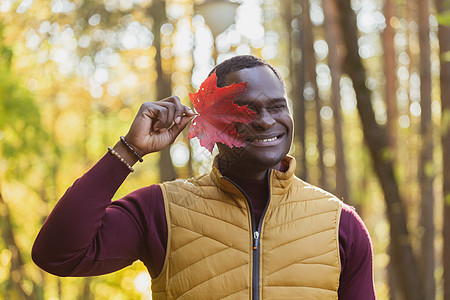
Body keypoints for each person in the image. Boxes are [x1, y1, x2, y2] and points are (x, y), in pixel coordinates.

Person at [32, 55, 376, 299]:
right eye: (246, 108)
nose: (266, 120)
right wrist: (128, 151)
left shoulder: (339, 225)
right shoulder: (160, 210)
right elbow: (58, 254)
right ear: (209, 122)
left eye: (276, 106)